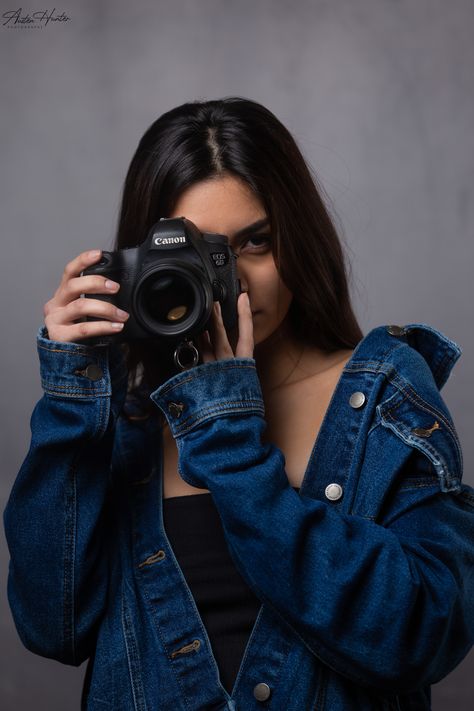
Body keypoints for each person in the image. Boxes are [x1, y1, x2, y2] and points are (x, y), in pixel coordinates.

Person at [4, 97, 474, 711]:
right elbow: (52, 628)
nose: (234, 285)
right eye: (198, 256)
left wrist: (229, 442)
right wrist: (72, 395)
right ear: (145, 267)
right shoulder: (131, 421)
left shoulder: (382, 392)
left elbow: (420, 635)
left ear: (301, 241)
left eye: (254, 243)